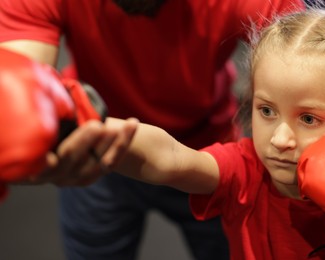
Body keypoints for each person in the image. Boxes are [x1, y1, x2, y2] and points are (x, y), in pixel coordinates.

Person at [0, 0, 306, 259]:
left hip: (212, 154)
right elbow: (16, 87)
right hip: (98, 145)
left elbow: (316, 65)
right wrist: (33, 136)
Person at [97, 6, 325, 259]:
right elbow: (172, 158)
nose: (280, 140)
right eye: (267, 111)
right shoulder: (246, 171)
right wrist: (95, 130)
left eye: (309, 119)